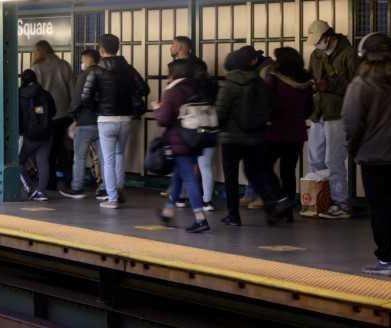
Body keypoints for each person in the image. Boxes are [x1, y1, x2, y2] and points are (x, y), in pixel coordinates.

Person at [343, 33, 391, 276]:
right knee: (389, 200)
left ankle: (385, 258)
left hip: (372, 153)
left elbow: (352, 122)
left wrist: (353, 148)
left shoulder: (361, 84)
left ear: (364, 54)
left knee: (379, 205)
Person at [215, 45, 290, 226]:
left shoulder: (230, 85)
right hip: (256, 137)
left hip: (231, 138)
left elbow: (220, 112)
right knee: (255, 173)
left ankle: (233, 215)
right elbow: (273, 107)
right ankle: (272, 207)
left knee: (231, 177)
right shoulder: (260, 84)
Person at [153, 58, 213, 234]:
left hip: (179, 141)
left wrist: (157, 108)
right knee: (178, 177)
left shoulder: (172, 92)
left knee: (188, 178)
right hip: (196, 139)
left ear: (175, 74)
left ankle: (200, 218)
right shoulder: (197, 87)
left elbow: (164, 119)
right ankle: (168, 211)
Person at [306, 20, 356, 218]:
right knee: (315, 157)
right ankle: (321, 199)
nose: (317, 45)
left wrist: (330, 86)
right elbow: (310, 75)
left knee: (333, 160)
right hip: (318, 111)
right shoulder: (316, 55)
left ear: (329, 37)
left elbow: (355, 86)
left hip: (338, 113)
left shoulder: (349, 55)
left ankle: (341, 202)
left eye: (319, 41)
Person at [90, 34, 146, 210]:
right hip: (125, 119)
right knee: (120, 155)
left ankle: (112, 197)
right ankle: (120, 191)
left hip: (106, 119)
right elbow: (144, 88)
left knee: (108, 159)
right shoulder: (129, 69)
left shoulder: (96, 71)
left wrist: (98, 106)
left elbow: (86, 97)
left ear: (101, 50)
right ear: (117, 48)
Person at [263, 47, 313, 207]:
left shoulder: (274, 79)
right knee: (288, 171)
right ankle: (289, 205)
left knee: (264, 166)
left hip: (276, 131)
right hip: (297, 132)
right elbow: (309, 108)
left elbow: (268, 103)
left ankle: (277, 198)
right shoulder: (306, 79)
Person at [27, 40, 75, 191]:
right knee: (65, 150)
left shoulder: (36, 68)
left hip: (47, 116)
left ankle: (50, 182)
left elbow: (33, 92)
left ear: (38, 52)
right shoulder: (64, 65)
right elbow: (73, 89)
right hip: (65, 113)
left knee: (47, 151)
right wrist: (73, 112)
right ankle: (69, 180)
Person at [62, 47, 102, 199]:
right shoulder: (105, 74)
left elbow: (77, 98)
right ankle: (105, 188)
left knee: (79, 157)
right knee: (104, 158)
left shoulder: (84, 75)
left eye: (82, 60)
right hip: (102, 121)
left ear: (87, 59)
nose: (81, 63)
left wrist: (73, 116)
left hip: (85, 122)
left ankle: (77, 187)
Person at [16, 69, 55, 202]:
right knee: (43, 162)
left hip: (29, 135)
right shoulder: (46, 94)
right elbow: (53, 112)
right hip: (46, 133)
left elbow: (18, 116)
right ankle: (41, 191)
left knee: (18, 162)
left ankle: (30, 188)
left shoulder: (19, 95)